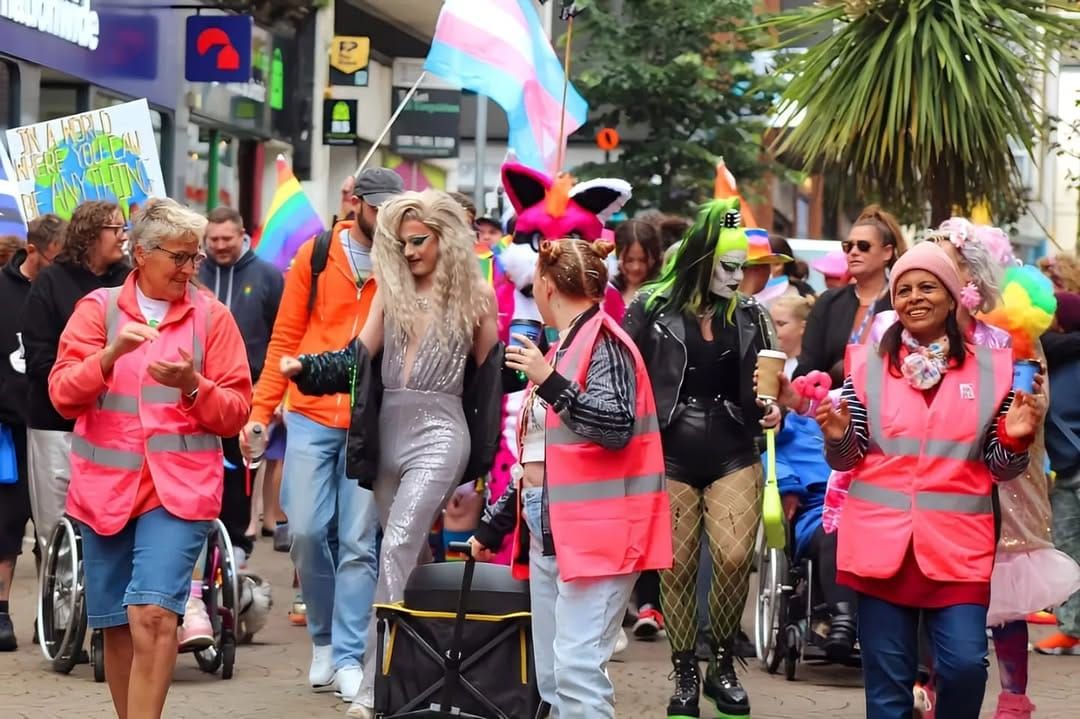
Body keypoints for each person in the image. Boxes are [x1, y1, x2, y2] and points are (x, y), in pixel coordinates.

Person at [281, 190, 500, 718]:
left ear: (446, 238)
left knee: (397, 545)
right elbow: (357, 360)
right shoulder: (391, 294)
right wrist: (307, 371)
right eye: (401, 243)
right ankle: (427, 671)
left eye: (419, 241)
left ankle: (376, 687)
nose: (409, 252)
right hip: (387, 435)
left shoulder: (477, 297)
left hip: (442, 433)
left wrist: (484, 468)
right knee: (413, 556)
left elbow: (491, 383)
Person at [817, 241, 1044, 719]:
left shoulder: (993, 372)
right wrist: (837, 435)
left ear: (951, 297)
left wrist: (1018, 439)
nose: (915, 298)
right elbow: (848, 457)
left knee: (964, 667)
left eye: (928, 287)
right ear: (893, 301)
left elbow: (1001, 467)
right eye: (904, 289)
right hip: (879, 548)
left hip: (958, 549)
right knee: (887, 691)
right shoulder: (866, 368)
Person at [48, 198, 251, 719]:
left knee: (154, 615)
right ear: (141, 253)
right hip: (106, 493)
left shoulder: (213, 318)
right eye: (178, 257)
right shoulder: (98, 309)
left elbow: (234, 411)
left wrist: (193, 385)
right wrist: (109, 356)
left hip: (178, 493)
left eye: (194, 258)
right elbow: (62, 394)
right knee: (115, 623)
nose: (189, 268)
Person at [470, 237, 672, 719]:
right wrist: (496, 523)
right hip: (557, 528)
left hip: (598, 532)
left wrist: (550, 381)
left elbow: (616, 425)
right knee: (555, 674)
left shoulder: (603, 343)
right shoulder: (567, 345)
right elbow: (543, 455)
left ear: (545, 285)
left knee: (577, 669)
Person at [241, 167, 402, 699]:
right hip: (309, 411)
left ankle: (350, 654)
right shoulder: (314, 256)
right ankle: (326, 640)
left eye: (394, 208)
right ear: (355, 203)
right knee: (307, 533)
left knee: (359, 541)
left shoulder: (403, 260)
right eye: (378, 207)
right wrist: (261, 412)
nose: (387, 218)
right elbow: (284, 338)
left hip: (369, 418)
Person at [624, 197, 781, 719]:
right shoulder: (650, 307)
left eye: (743, 269)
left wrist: (772, 406)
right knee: (678, 567)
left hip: (734, 449)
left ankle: (723, 665)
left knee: (737, 557)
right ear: (700, 258)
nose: (739, 278)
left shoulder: (754, 315)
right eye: (728, 267)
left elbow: (766, 385)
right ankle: (686, 669)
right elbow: (626, 375)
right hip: (668, 451)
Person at [22, 201, 130, 555]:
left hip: (113, 424)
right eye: (115, 228)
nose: (123, 236)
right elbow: (39, 355)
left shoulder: (131, 280)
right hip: (56, 423)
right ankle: (55, 605)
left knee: (108, 527)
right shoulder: (52, 281)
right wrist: (82, 380)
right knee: (55, 531)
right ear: (90, 234)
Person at [769, 294, 858, 658]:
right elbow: (770, 455)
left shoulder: (858, 423)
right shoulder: (790, 423)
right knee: (835, 532)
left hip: (866, 505)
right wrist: (788, 489)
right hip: (815, 511)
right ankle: (842, 620)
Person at [198, 205, 284, 570]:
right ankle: (201, 536)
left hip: (247, 389)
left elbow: (282, 333)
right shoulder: (194, 272)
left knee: (239, 468)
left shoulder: (266, 275)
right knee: (202, 465)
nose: (220, 245)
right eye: (213, 239)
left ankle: (237, 542)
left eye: (226, 239)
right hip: (198, 388)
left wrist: (276, 391)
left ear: (242, 234)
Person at [0, 214, 65, 650]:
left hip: (53, 422)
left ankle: (53, 609)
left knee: (54, 523)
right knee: (5, 522)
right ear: (33, 251)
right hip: (7, 425)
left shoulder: (65, 290)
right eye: (55, 258)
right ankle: (1, 611)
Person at [796, 205, 905, 382]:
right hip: (829, 405)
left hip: (885, 404)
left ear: (887, 252)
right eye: (848, 246)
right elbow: (808, 366)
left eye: (863, 246)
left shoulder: (900, 302)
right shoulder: (829, 302)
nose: (853, 252)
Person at [1040, 291, 1080, 656]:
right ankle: (1072, 630)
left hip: (1073, 465)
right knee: (1068, 550)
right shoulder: (1047, 355)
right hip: (1066, 471)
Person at [613, 219, 663, 305]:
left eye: (643, 260)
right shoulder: (608, 291)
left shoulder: (661, 295)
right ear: (618, 256)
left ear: (654, 257)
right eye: (629, 260)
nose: (636, 267)